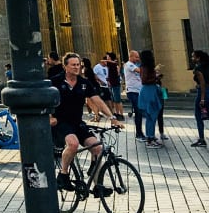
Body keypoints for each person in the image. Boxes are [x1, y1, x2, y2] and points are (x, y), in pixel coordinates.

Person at [50, 52, 117, 196]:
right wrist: (50, 116)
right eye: (73, 65)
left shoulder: (84, 83)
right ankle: (63, 175)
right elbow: (43, 100)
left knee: (98, 148)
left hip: (77, 122)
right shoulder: (55, 82)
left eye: (78, 65)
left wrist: (112, 117)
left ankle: (97, 185)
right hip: (60, 123)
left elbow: (97, 100)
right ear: (65, 66)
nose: (77, 67)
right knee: (73, 144)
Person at [137, 50, 164, 147]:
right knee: (151, 117)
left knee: (151, 117)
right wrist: (155, 78)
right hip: (149, 92)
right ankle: (150, 138)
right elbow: (144, 80)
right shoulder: (145, 67)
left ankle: (151, 137)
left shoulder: (145, 67)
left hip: (150, 91)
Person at [122, 50, 143, 138]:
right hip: (132, 91)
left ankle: (140, 132)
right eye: (136, 57)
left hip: (138, 91)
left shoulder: (134, 64)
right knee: (138, 111)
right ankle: (139, 133)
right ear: (131, 57)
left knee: (140, 112)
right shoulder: (129, 64)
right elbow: (139, 71)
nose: (138, 59)